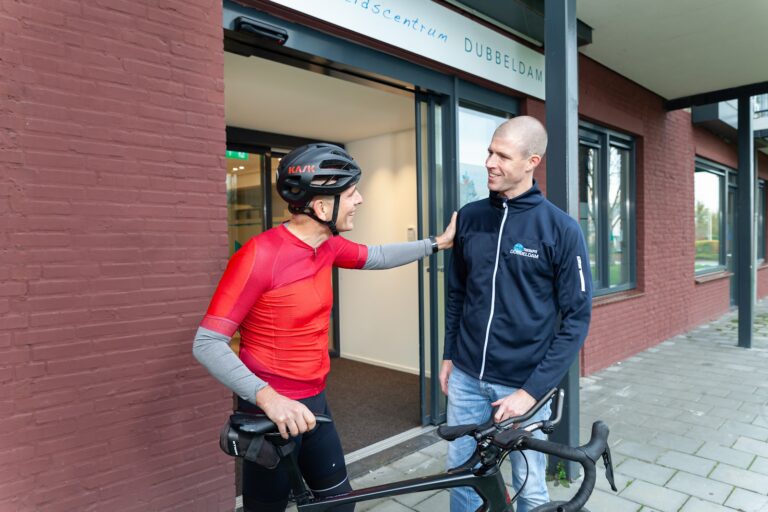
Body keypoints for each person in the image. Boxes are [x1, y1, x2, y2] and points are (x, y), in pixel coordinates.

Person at [193, 143, 456, 512]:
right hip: (269, 411)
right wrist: (269, 399)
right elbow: (207, 343)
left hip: (315, 401)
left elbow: (377, 256)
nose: (359, 200)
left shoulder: (328, 246)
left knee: (339, 505)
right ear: (320, 207)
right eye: (351, 194)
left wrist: (436, 244)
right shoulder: (259, 256)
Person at [440, 116, 593, 512]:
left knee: (529, 486)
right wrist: (449, 354)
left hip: (521, 385)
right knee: (461, 480)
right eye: (490, 152)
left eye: (503, 156)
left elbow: (577, 319)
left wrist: (531, 392)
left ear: (532, 162)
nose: (490, 162)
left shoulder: (561, 229)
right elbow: (457, 293)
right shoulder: (470, 217)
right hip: (466, 378)